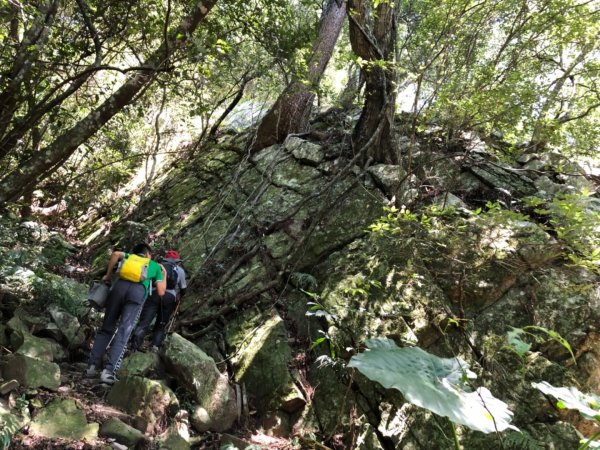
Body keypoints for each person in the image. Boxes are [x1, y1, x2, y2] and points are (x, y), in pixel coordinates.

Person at [86, 243, 166, 384]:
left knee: (107, 327)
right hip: (137, 293)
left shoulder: (129, 257)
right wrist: (163, 275)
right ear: (147, 254)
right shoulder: (153, 265)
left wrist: (108, 274)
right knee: (124, 331)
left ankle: (91, 367)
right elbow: (160, 292)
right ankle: (108, 372)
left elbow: (116, 254)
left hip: (118, 288)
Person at [131, 249, 187, 353]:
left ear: (165, 259)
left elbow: (144, 279)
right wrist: (179, 296)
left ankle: (134, 346)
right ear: (177, 261)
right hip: (169, 298)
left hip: (154, 294)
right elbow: (183, 289)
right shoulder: (180, 271)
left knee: (145, 322)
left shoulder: (156, 266)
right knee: (161, 324)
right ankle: (155, 347)